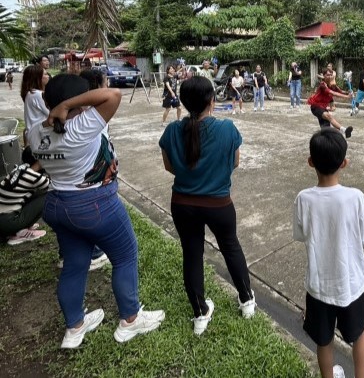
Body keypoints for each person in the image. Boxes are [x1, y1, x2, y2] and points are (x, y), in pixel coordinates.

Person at [27, 74, 165, 348]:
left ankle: (74, 327)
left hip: (57, 204)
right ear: (74, 105)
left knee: (75, 266)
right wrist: (70, 106)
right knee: (125, 255)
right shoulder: (79, 126)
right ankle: (130, 319)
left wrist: (59, 106)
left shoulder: (34, 132)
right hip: (93, 203)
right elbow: (113, 96)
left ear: (46, 100)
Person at [159, 76, 256, 335]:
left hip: (183, 203)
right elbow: (234, 163)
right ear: (212, 100)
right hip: (219, 204)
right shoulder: (227, 129)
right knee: (231, 247)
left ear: (184, 102)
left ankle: (200, 313)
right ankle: (247, 300)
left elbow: (169, 167)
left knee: (192, 254)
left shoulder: (171, 131)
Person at [293, 128, 364, 378]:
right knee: (360, 332)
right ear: (345, 163)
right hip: (352, 284)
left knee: (324, 339)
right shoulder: (356, 198)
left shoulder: (303, 199)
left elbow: (301, 236)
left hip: (319, 285)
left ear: (310, 163)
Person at [0, 163, 48, 245]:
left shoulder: (19, 169)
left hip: (3, 221)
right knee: (49, 196)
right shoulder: (33, 176)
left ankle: (21, 228)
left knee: (38, 193)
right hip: (8, 222)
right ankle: (20, 233)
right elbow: (57, 187)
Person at [307, 69, 353, 138]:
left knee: (326, 128)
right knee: (329, 116)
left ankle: (326, 139)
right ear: (324, 76)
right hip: (315, 107)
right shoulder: (323, 85)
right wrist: (347, 97)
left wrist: (349, 93)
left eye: (331, 75)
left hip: (323, 108)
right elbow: (333, 93)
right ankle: (344, 130)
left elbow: (340, 91)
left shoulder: (333, 86)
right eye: (327, 75)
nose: (329, 76)